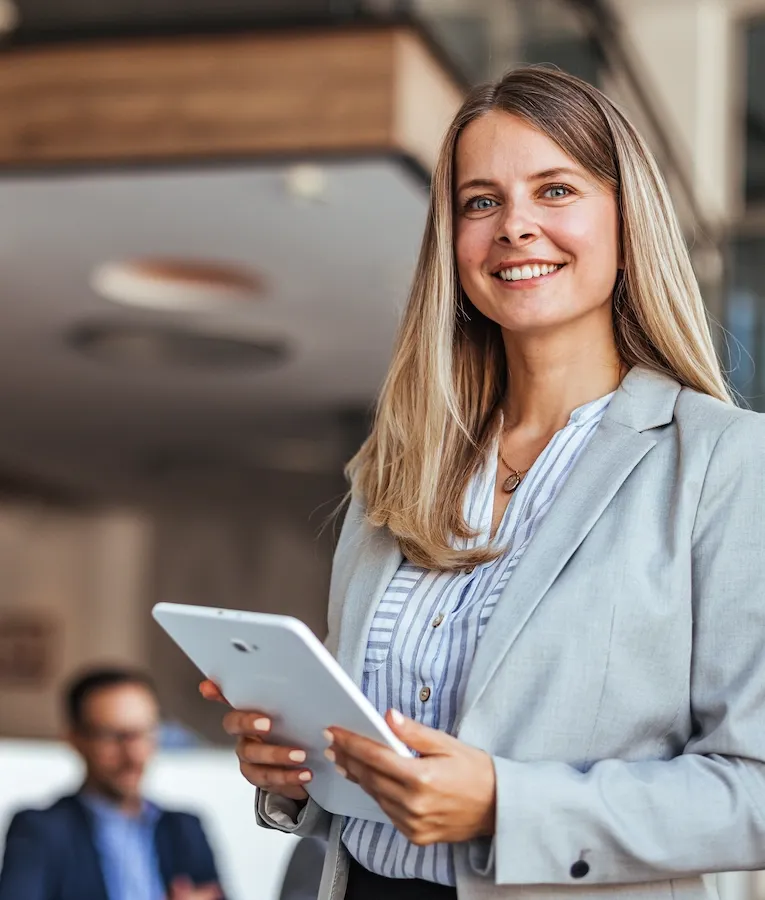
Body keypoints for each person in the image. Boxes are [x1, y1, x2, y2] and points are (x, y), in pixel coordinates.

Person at [202, 65, 765, 900]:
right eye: (480, 201)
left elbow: (751, 789)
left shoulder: (722, 460)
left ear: (625, 219)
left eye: (555, 190)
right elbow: (370, 768)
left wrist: (508, 804)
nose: (515, 228)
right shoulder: (392, 466)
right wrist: (295, 772)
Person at [0, 667, 224, 900]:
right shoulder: (41, 830)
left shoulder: (185, 828)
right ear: (75, 739)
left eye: (143, 733)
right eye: (112, 736)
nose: (133, 755)